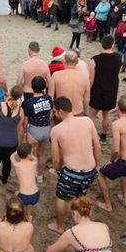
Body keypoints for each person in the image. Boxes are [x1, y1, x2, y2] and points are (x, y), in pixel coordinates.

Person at [48, 96, 100, 235]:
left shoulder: (56, 130)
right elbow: (97, 146)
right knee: (81, 196)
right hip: (90, 170)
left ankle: (59, 226)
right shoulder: (87, 121)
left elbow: (56, 159)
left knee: (61, 198)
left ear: (60, 112)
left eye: (55, 111)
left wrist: (57, 170)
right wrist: (97, 164)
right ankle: (83, 222)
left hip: (71, 172)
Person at [88, 35, 123, 142]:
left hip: (97, 89)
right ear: (112, 45)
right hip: (111, 89)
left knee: (92, 114)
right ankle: (103, 135)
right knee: (106, 114)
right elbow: (118, 73)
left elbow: (91, 79)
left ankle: (92, 135)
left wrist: (88, 91)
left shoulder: (95, 59)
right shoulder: (119, 58)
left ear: (101, 44)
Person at [0, 86, 24, 184]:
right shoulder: (21, 111)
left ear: (10, 93)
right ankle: (4, 179)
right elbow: (18, 128)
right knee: (7, 162)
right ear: (20, 97)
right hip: (12, 142)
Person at [22, 76, 52, 183]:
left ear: (31, 87)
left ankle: (32, 173)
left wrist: (25, 131)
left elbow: (26, 120)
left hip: (34, 130)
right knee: (41, 154)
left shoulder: (28, 102)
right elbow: (50, 115)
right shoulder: (48, 98)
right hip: (46, 129)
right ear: (44, 87)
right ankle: (40, 175)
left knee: (32, 154)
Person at [48, 50, 89, 117]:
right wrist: (85, 111)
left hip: (62, 113)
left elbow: (50, 97)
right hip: (78, 112)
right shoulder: (84, 77)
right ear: (77, 62)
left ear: (64, 60)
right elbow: (86, 98)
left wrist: (51, 112)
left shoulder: (56, 75)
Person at [11, 143, 39, 222]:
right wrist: (30, 154)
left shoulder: (17, 165)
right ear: (29, 155)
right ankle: (28, 216)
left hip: (23, 196)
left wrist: (18, 151)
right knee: (29, 204)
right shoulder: (34, 162)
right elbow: (33, 157)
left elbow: (11, 157)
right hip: (35, 195)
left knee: (17, 195)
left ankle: (22, 218)